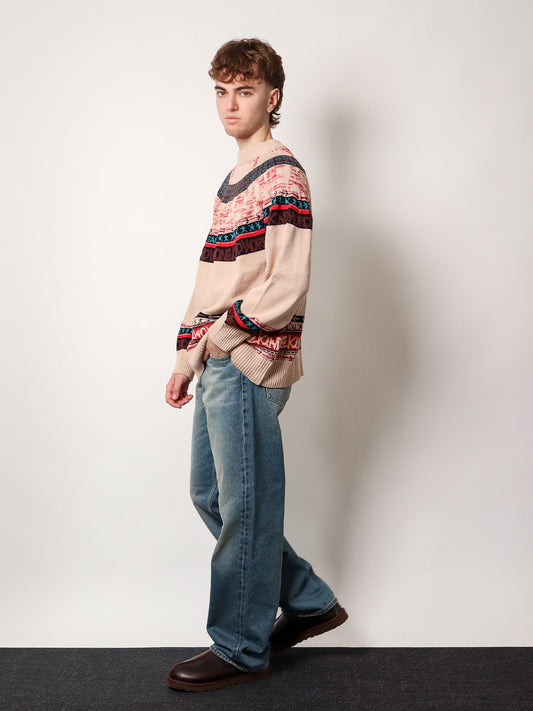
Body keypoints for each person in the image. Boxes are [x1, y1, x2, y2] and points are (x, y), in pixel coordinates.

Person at [165, 38, 348, 692]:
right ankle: (307, 600)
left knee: (244, 503)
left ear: (273, 97)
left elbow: (286, 284)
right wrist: (187, 356)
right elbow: (212, 279)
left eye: (244, 91)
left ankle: (241, 646)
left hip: (248, 358)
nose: (230, 104)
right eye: (221, 91)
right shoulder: (233, 181)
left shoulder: (282, 175)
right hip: (218, 358)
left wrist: (222, 339)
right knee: (211, 496)